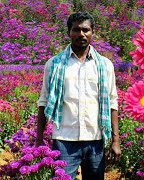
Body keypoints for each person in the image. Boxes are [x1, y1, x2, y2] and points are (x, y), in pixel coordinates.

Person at [36, 12, 121, 179]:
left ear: (92, 32)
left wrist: (116, 141)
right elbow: (43, 102)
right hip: (64, 140)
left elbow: (112, 102)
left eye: (86, 30)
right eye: (76, 30)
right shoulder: (54, 65)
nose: (81, 34)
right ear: (69, 32)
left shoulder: (105, 65)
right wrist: (39, 141)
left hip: (95, 140)